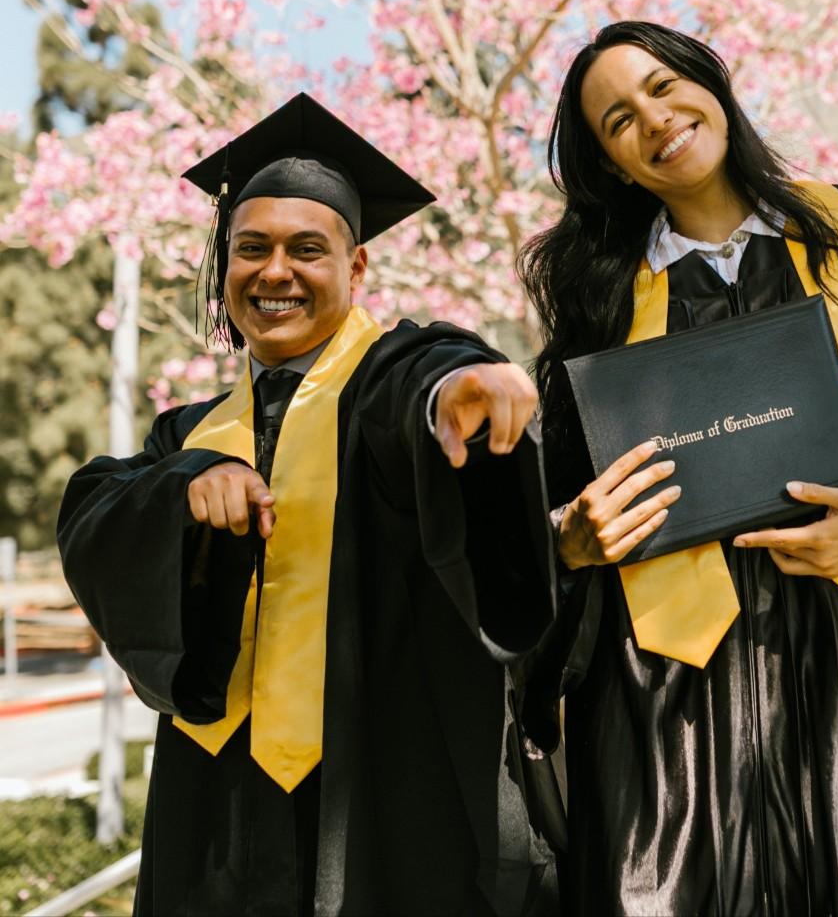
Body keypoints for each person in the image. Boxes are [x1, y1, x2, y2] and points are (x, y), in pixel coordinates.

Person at [516, 22, 838, 915]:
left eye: (664, 85)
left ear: (710, 80)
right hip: (666, 689)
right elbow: (556, 508)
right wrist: (571, 540)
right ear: (612, 166)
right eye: (618, 120)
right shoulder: (603, 298)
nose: (656, 119)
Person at [58, 93, 558, 916]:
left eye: (307, 249)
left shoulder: (388, 382)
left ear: (356, 269)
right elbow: (94, 513)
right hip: (217, 812)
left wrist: (461, 389)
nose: (275, 272)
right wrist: (184, 489)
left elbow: (425, 381)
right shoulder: (187, 431)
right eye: (250, 249)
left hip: (381, 800)